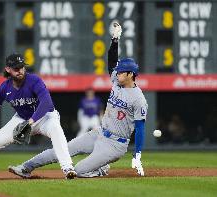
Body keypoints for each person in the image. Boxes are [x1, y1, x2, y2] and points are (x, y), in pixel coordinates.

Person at [8, 22, 148, 178]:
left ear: (130, 74)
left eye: (122, 72)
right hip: (100, 133)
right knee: (62, 151)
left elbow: (141, 128)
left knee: (78, 170)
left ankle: (101, 168)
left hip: (115, 144)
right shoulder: (117, 80)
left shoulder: (139, 99)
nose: (117, 73)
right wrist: (115, 40)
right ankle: (25, 167)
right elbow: (111, 61)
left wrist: (138, 154)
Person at [0, 54, 76, 181]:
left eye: (22, 67)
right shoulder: (5, 87)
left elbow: (46, 103)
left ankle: (68, 168)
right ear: (8, 69)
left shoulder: (34, 80)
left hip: (45, 117)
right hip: (21, 119)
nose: (20, 70)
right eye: (16, 68)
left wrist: (31, 122)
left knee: (56, 130)